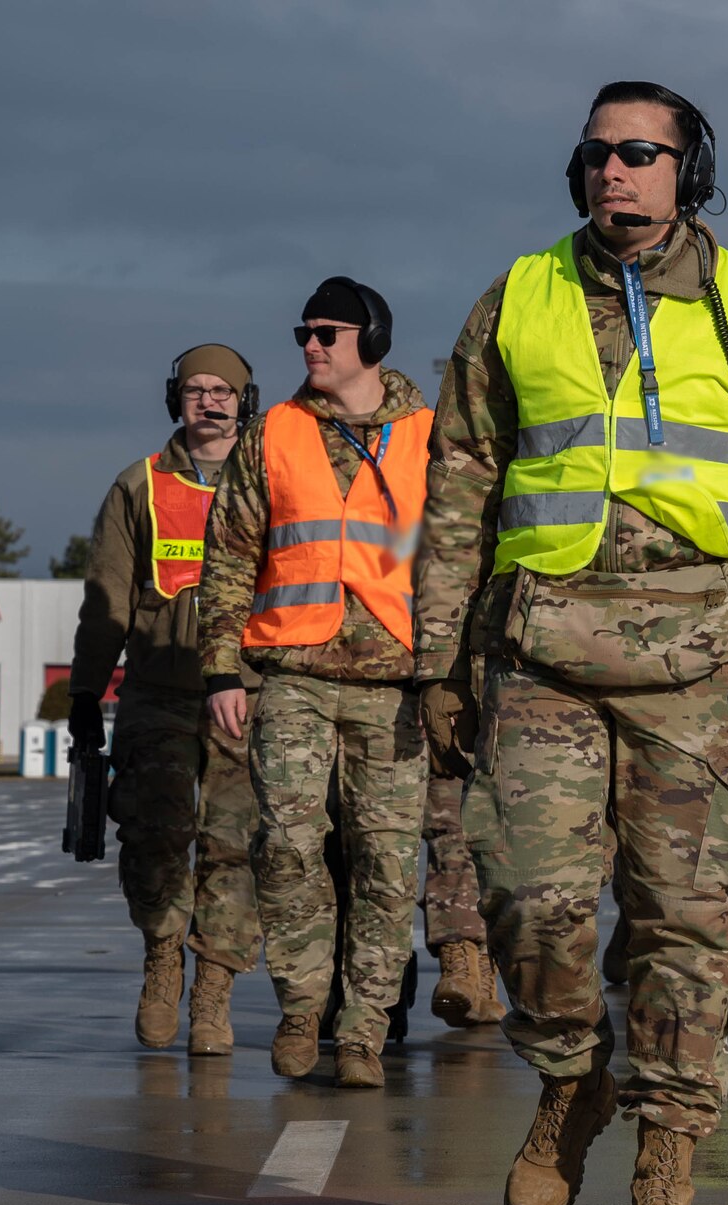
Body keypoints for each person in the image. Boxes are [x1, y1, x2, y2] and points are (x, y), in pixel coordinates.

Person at [414, 81, 728, 1205]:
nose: (615, 171)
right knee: (528, 906)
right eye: (598, 152)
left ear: (685, 170)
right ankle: (570, 1080)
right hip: (538, 650)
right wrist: (436, 661)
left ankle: (667, 1168)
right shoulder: (515, 298)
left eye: (641, 153)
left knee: (682, 926)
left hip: (699, 664)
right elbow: (458, 486)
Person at [196, 278, 431, 1091]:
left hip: (396, 683)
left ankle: (364, 1031)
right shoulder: (275, 434)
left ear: (374, 338)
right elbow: (228, 557)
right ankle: (302, 1008)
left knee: (388, 863)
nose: (310, 346)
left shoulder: (429, 436)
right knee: (289, 849)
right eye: (304, 332)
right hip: (292, 673)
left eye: (328, 332)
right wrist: (222, 667)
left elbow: (456, 561)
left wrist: (455, 673)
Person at [69, 343, 262, 1055]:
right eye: (195, 389)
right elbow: (107, 596)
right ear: (173, 398)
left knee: (233, 849)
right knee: (152, 838)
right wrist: (87, 689)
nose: (209, 400)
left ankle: (213, 990)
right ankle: (161, 958)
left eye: (223, 390)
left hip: (246, 693)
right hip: (157, 693)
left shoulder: (274, 478)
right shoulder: (138, 485)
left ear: (247, 400)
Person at [422, 772, 505, 1027]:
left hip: (508, 747)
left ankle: (483, 969)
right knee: (452, 836)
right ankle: (459, 963)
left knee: (498, 846)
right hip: (450, 746)